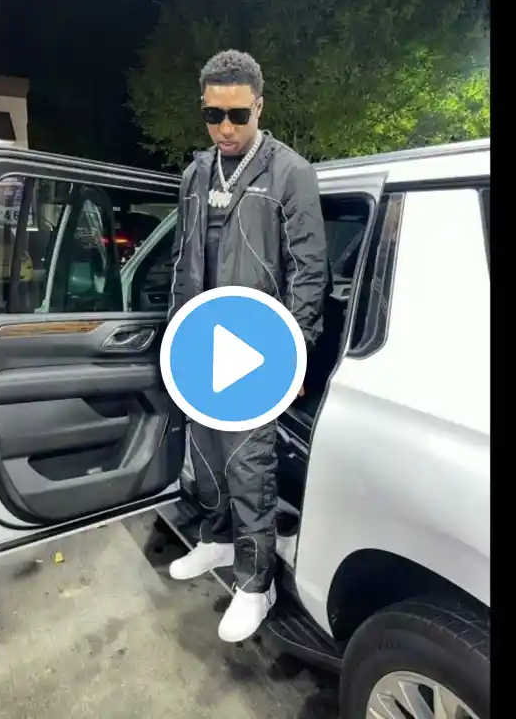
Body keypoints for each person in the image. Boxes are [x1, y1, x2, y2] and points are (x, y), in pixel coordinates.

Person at [165, 49, 328, 642]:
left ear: (260, 106)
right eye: (214, 115)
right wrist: (175, 335)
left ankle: (257, 584)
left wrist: (296, 351)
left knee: (249, 465)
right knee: (205, 455)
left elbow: (309, 271)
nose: (226, 128)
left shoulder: (290, 173)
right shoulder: (194, 175)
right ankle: (214, 540)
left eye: (238, 114)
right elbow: (182, 259)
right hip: (199, 342)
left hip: (258, 347)